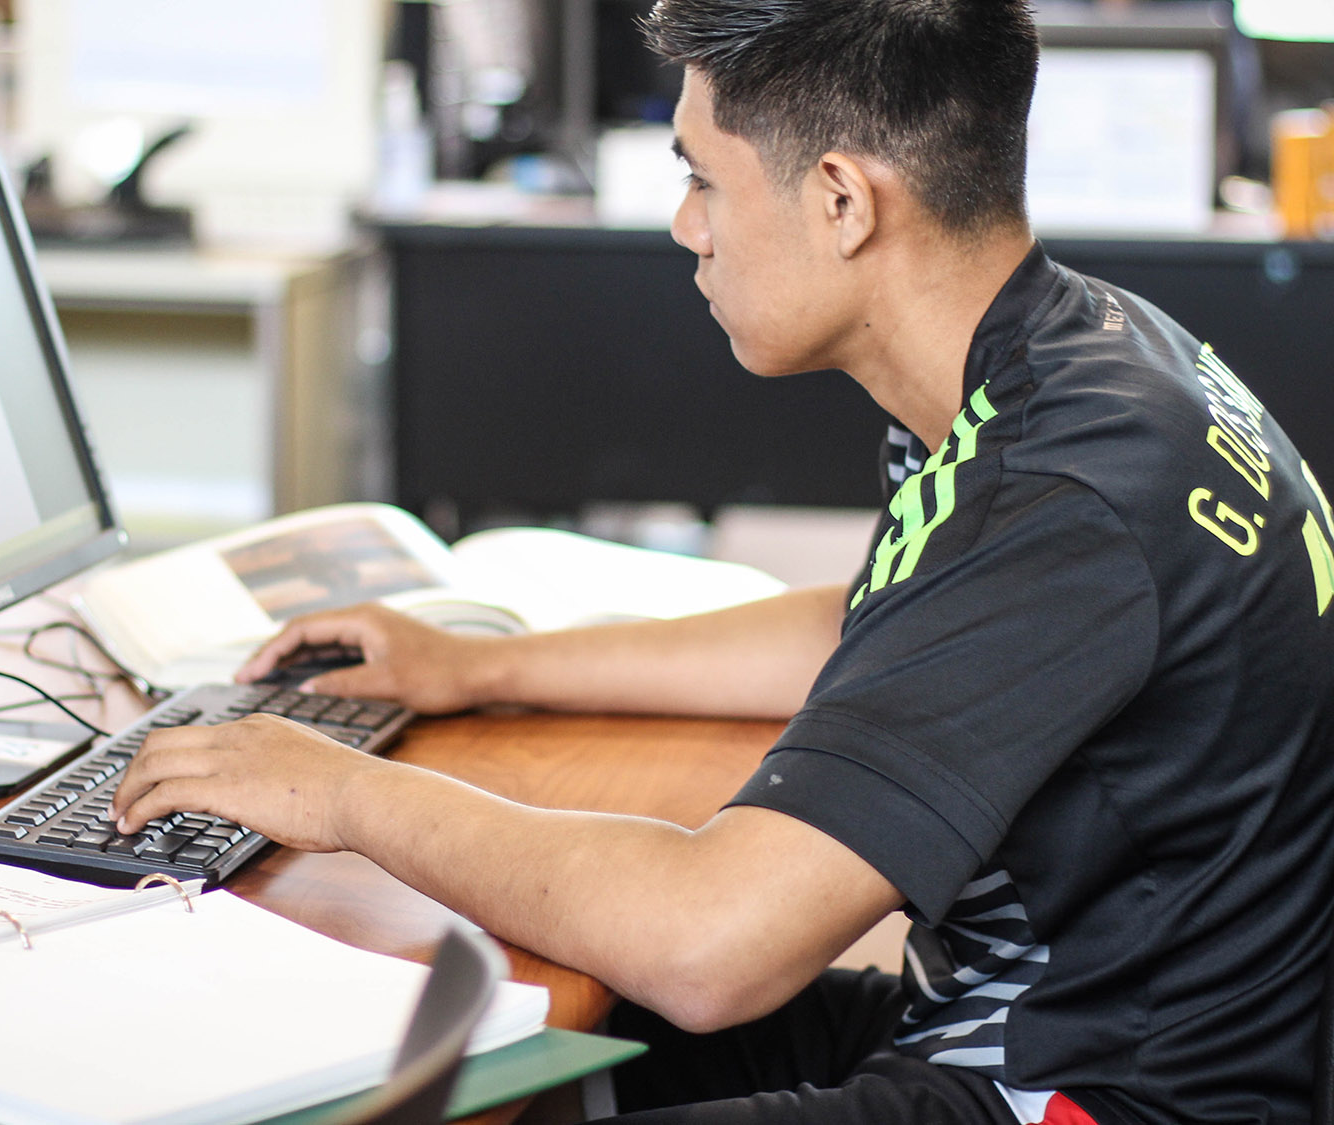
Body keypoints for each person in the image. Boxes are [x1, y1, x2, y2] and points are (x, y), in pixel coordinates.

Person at [112, 1, 1334, 1121]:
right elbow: (868, 632)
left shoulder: (1059, 492)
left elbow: (715, 946)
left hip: (1104, 1088)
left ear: (845, 201)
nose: (685, 227)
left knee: (541, 1020)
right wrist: (483, 670)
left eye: (702, 177)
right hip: (1040, 1020)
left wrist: (336, 792)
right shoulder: (1079, 351)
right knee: (483, 1028)